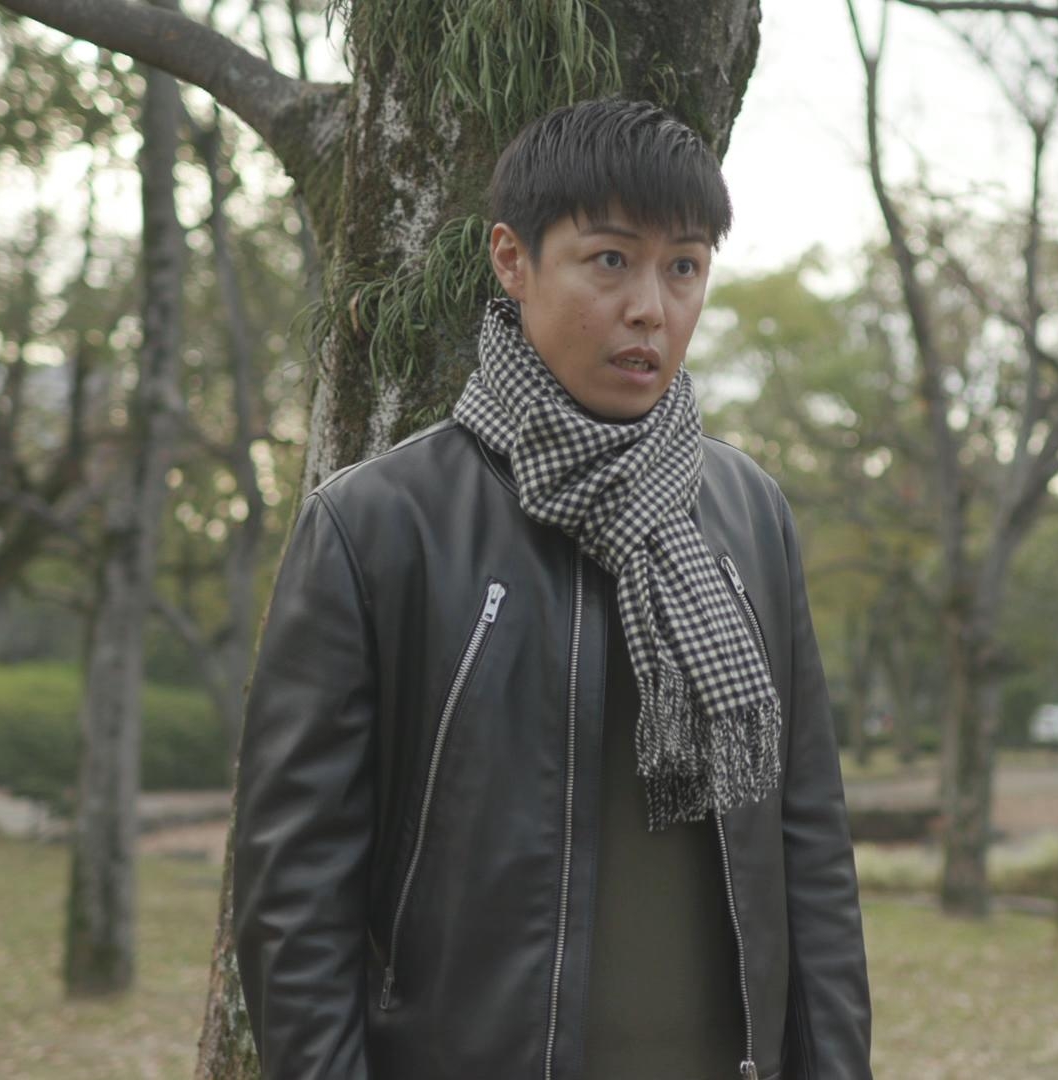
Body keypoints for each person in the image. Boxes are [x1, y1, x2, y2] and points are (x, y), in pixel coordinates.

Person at [232, 98, 873, 1080]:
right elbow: (295, 894)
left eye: (684, 267)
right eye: (610, 260)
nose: (651, 307)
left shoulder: (749, 514)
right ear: (512, 260)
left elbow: (809, 843)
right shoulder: (379, 526)